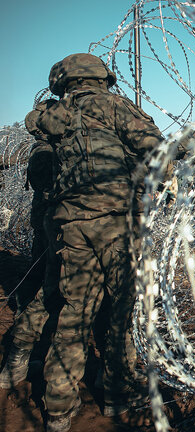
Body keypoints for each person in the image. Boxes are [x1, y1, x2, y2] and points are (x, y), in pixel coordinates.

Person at [36, 53, 165, 432]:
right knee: (121, 311)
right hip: (116, 224)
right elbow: (159, 153)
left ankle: (58, 406)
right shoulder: (113, 105)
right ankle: (118, 391)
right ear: (99, 78)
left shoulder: (54, 116)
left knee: (75, 312)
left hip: (72, 226)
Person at [0, 99, 62, 389]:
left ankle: (18, 360)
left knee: (43, 285)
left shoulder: (47, 147)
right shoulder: (48, 149)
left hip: (52, 225)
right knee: (46, 288)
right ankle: (24, 360)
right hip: (59, 227)